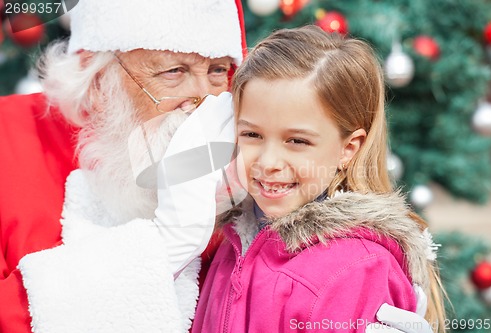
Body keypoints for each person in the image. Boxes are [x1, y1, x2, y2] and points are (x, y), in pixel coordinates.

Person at [0, 0, 437, 332]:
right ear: (97, 80)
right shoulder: (9, 143)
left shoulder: (254, 181)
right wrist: (161, 250)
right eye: (172, 71)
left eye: (217, 71)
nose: (204, 100)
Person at [191, 26, 446, 332]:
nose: (268, 162)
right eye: (252, 134)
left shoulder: (355, 270)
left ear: (348, 148)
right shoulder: (232, 239)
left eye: (297, 141)